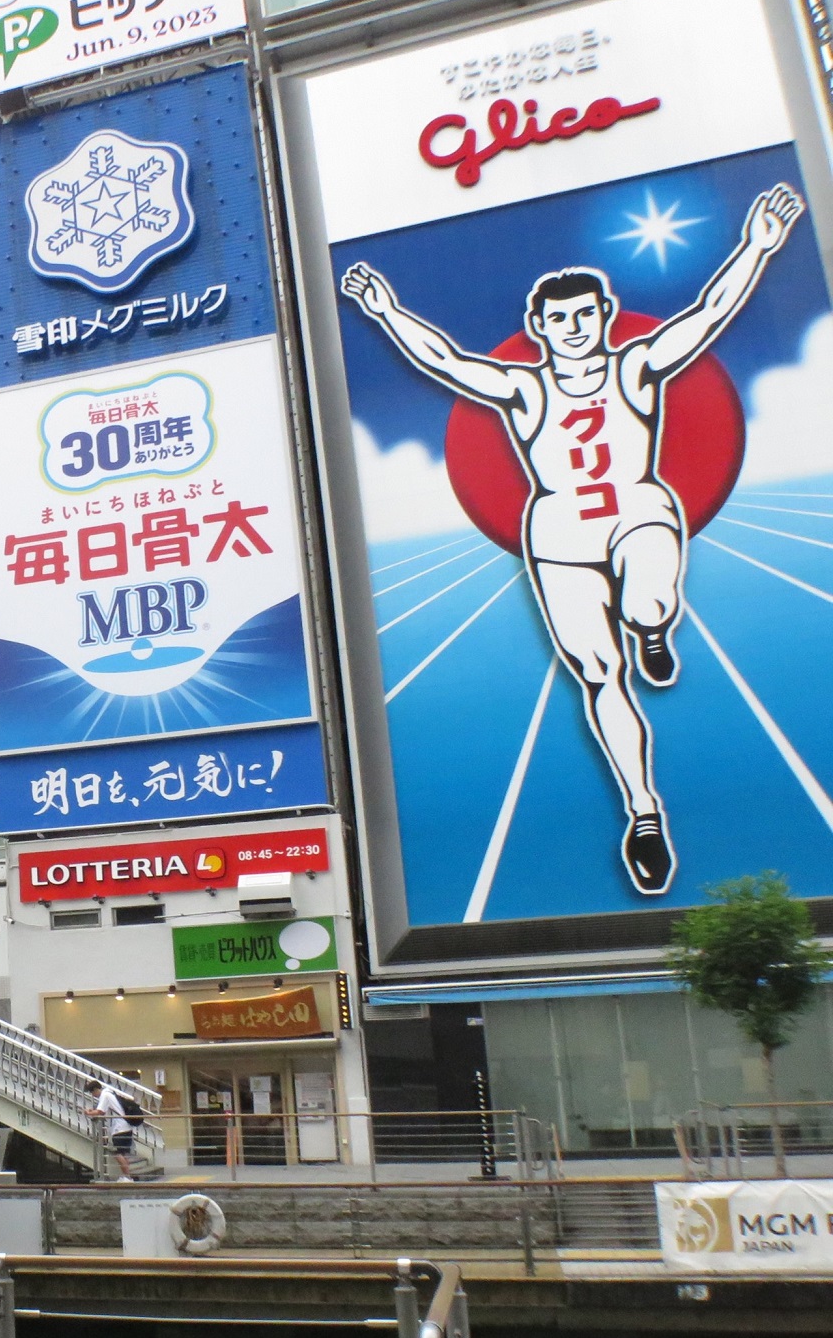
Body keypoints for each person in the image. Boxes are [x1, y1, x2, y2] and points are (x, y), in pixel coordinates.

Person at [340, 184, 803, 896]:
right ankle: (643, 812)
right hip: (559, 534)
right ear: (541, 326)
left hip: (636, 509)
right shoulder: (525, 389)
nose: (575, 327)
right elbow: (447, 362)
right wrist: (385, 310)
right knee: (598, 672)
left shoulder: (636, 367)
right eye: (560, 318)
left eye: (585, 314)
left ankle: (653, 624)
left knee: (648, 592)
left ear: (604, 315)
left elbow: (708, 315)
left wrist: (759, 246)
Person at [86, 1080, 137, 1180]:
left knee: (118, 1154)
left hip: (119, 1128)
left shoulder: (105, 1096)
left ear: (96, 1090)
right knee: (123, 1153)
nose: (93, 1095)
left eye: (92, 1093)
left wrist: (88, 1113)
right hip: (126, 1126)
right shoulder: (110, 1093)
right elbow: (104, 1110)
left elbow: (100, 1111)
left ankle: (127, 1177)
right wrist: (93, 1111)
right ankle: (127, 1177)